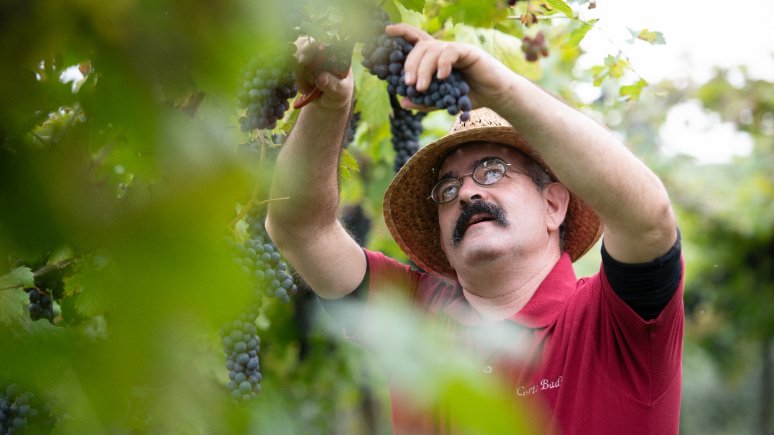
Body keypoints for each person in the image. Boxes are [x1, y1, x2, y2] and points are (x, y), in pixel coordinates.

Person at [266, 23, 683, 435]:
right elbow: (301, 229)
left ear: (553, 204)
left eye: (491, 170)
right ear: (442, 240)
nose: (465, 193)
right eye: (447, 189)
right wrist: (330, 104)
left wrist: (500, 91)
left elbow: (649, 222)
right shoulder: (414, 315)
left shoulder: (613, 321)